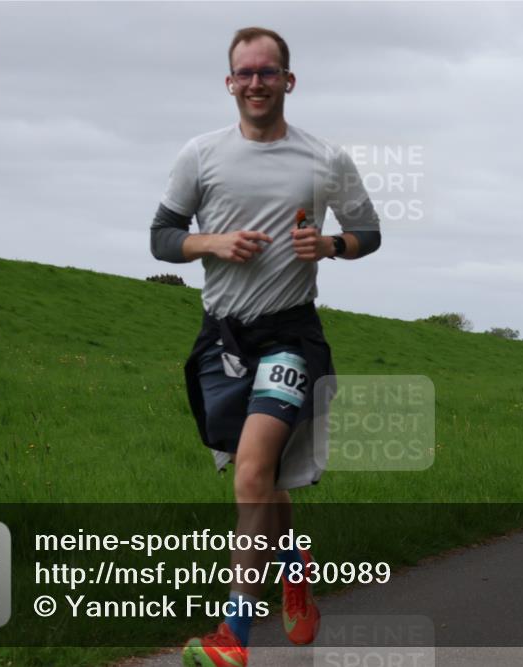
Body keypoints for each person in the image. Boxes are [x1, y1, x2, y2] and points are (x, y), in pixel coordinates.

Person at [150, 27, 381, 667]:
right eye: (245, 73)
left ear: (288, 80)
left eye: (268, 72)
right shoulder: (201, 155)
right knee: (263, 478)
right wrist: (212, 243)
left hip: (290, 337)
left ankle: (233, 637)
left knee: (253, 471)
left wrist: (332, 246)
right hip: (222, 339)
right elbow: (162, 236)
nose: (256, 83)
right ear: (230, 82)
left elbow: (368, 231)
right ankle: (293, 564)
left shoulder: (324, 159)